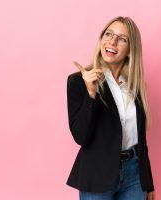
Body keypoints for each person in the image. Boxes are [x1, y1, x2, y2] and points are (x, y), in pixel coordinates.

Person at [66, 16, 155, 200]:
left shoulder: (135, 85)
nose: (112, 41)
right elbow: (80, 136)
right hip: (97, 173)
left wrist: (148, 182)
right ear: (101, 39)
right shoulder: (79, 81)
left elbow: (141, 139)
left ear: (131, 50)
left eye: (122, 39)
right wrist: (91, 94)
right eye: (109, 34)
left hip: (134, 176)